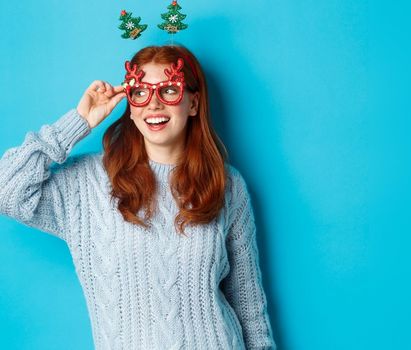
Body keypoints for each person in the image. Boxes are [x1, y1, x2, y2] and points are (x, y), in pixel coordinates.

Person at [0, 45, 277, 350]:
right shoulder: (88, 183)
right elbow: (6, 189)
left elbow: (248, 304)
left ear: (194, 103)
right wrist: (79, 121)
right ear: (130, 106)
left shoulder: (227, 184)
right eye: (141, 93)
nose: (154, 105)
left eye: (170, 90)